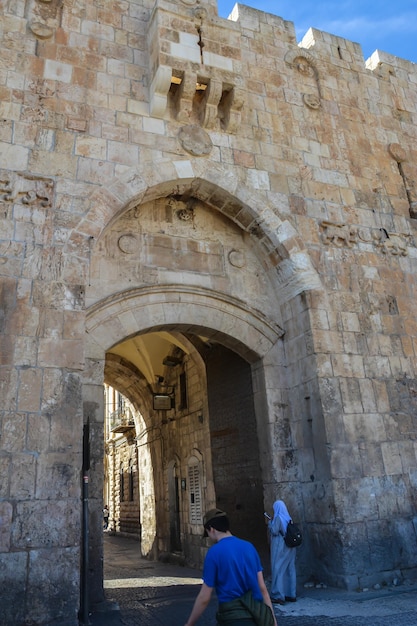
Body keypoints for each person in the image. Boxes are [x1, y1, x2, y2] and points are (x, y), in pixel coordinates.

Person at [184, 508, 277, 626]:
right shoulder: (249, 548)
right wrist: (273, 621)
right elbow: (262, 588)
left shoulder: (214, 553)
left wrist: (190, 623)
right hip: (255, 617)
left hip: (231, 618)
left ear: (211, 529)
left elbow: (204, 597)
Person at [267, 500, 296, 605]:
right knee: (289, 568)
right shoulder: (288, 518)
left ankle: (278, 595)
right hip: (290, 547)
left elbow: (274, 531)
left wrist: (270, 522)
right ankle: (291, 593)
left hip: (280, 546)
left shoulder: (278, 518)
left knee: (278, 568)